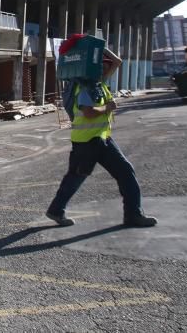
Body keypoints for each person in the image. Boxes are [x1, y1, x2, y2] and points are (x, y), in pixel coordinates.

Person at [46, 36, 157, 228]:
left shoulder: (99, 84)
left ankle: (133, 214)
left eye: (105, 65)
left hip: (100, 139)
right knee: (79, 176)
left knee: (122, 173)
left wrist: (98, 47)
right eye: (102, 65)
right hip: (89, 142)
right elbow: (87, 112)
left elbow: (117, 62)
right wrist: (107, 108)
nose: (106, 68)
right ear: (94, 68)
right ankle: (132, 215)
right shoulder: (86, 87)